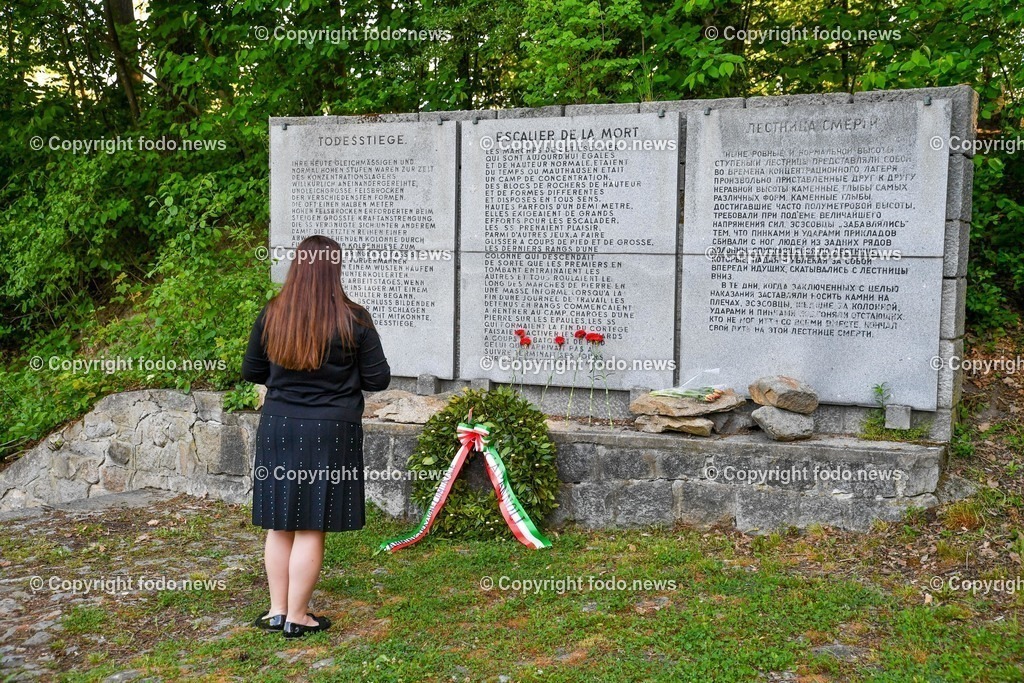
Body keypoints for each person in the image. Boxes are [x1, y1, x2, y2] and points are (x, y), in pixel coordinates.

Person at [242, 234, 391, 638]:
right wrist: (339, 381)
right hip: (331, 430)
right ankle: (298, 615)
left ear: (297, 266)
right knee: (311, 524)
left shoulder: (273, 314)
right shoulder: (353, 318)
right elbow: (378, 379)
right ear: (334, 269)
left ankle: (276, 611)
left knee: (279, 522)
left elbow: (252, 371)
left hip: (279, 426)